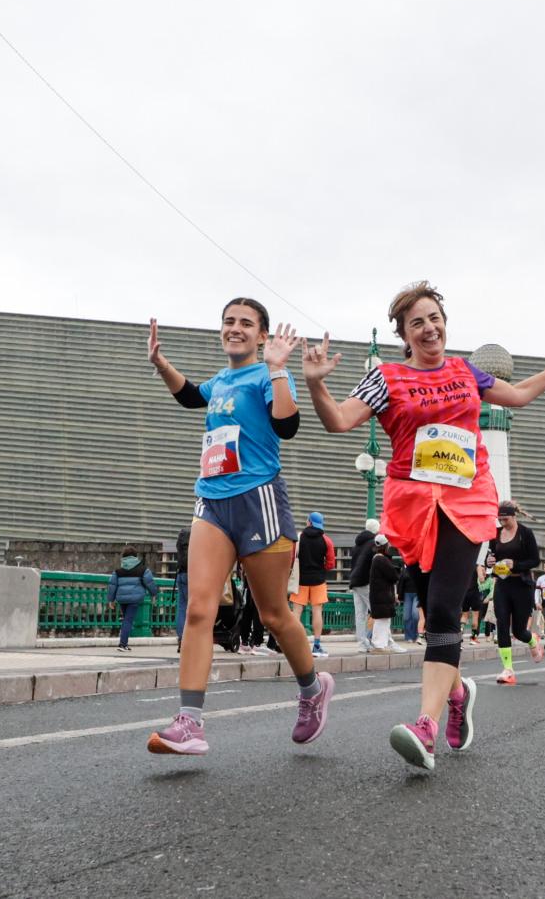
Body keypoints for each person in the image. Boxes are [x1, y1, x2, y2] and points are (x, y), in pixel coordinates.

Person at [302, 280, 545, 770]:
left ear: (444, 324)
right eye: (418, 322)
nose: (429, 328)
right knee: (436, 618)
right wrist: (314, 383)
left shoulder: (464, 371)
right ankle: (457, 696)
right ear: (405, 334)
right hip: (414, 507)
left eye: (435, 318)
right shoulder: (385, 378)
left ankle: (425, 726)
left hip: (468, 498)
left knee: (441, 608)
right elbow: (340, 421)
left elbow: (515, 395)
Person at [143, 301, 333, 756]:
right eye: (229, 322)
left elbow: (288, 425)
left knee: (274, 615)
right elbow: (192, 395)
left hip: (258, 500)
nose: (235, 329)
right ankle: (190, 721)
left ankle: (312, 688)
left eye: (246, 324)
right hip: (212, 500)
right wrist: (160, 362)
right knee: (198, 610)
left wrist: (280, 369)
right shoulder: (222, 379)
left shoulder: (265, 375)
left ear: (263, 336)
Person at [488, 501, 544, 683]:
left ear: (514, 516)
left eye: (505, 519)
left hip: (522, 584)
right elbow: (491, 556)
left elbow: (535, 560)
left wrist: (516, 564)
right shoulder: (495, 534)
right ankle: (508, 669)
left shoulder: (525, 533)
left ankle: (532, 640)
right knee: (502, 624)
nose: (503, 523)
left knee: (519, 631)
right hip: (503, 584)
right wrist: (490, 561)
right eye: (500, 519)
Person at [291, 512, 336, 657]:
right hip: (318, 581)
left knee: (296, 612)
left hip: (300, 581)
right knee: (317, 612)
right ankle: (316, 645)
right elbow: (330, 564)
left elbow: (292, 558)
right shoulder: (326, 540)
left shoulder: (298, 539)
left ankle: (294, 645)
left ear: (309, 522)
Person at [107, 547, 160, 651]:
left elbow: (112, 586)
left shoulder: (118, 571)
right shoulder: (143, 570)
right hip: (135, 599)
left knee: (126, 619)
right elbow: (150, 583)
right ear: (136, 557)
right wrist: (154, 594)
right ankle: (123, 644)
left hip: (122, 599)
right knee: (128, 620)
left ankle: (124, 643)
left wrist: (111, 600)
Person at [349, 522, 378, 650]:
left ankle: (362, 643)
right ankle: (382, 641)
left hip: (354, 581)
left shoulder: (357, 544)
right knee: (378, 611)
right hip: (365, 581)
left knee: (360, 614)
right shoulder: (373, 544)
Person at [369, 543, 403, 651]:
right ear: (385, 547)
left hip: (379, 595)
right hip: (382, 595)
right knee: (382, 620)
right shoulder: (381, 560)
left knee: (382, 620)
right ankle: (379, 645)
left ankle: (384, 643)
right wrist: (398, 570)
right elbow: (393, 576)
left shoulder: (376, 558)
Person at [173, 527, 191, 652]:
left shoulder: (181, 542)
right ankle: (191, 640)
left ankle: (181, 639)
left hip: (180, 574)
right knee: (194, 607)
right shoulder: (195, 538)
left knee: (182, 607)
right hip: (192, 575)